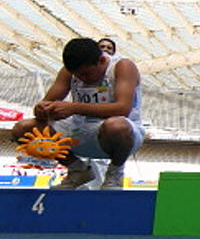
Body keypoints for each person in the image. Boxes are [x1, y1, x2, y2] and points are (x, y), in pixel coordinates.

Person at [10, 37, 144, 189]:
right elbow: (43, 104)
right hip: (79, 130)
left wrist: (73, 108)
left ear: (101, 60)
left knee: (117, 125)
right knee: (23, 128)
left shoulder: (122, 66)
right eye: (78, 76)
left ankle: (115, 173)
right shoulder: (69, 71)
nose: (83, 79)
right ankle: (77, 169)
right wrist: (43, 110)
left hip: (121, 136)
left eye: (86, 74)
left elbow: (122, 109)